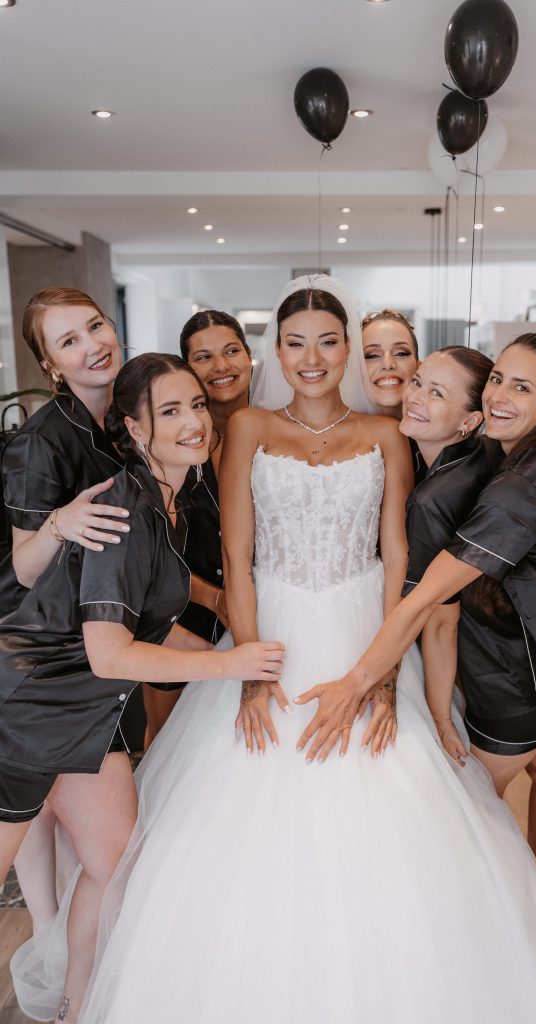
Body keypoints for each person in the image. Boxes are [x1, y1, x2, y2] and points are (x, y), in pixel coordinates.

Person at [73, 280, 536, 1024]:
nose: (311, 357)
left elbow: (396, 555)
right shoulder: (243, 427)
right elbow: (239, 559)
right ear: (275, 352)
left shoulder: (384, 438)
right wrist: (247, 669)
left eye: (327, 340)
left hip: (362, 629)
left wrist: (378, 677)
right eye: (294, 342)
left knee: (390, 793)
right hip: (269, 628)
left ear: (346, 348)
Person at [299, 332, 536, 1024]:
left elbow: (423, 603)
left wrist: (357, 682)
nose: (501, 396)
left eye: (521, 389)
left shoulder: (523, 487)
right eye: (499, 379)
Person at [3, 353, 284, 1022]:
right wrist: (231, 666)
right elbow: (109, 651)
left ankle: (76, 1006)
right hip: (28, 709)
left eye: (196, 405)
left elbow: (153, 629)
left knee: (114, 864)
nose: (193, 422)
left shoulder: (168, 500)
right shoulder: (126, 504)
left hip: (86, 719)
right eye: (169, 411)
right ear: (132, 427)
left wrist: (236, 656)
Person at [401, 347, 536, 886]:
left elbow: (440, 617)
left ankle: (502, 912)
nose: (415, 396)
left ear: (470, 420)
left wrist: (438, 712)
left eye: (437, 392)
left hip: (500, 669)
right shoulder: (495, 461)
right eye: (418, 382)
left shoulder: (436, 496)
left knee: (470, 810)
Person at [0, 289, 130, 944]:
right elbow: (23, 567)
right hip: (38, 670)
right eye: (69, 341)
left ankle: (70, 990)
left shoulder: (122, 424)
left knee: (111, 856)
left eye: (95, 326)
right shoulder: (38, 443)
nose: (92, 345)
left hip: (90, 666)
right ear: (51, 365)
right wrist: (58, 522)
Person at [141, 311, 253, 743]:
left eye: (231, 351)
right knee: (170, 743)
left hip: (261, 611)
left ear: (249, 356)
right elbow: (150, 554)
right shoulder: (169, 446)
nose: (221, 367)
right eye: (203, 358)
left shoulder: (277, 433)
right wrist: (215, 597)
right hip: (181, 612)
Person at [362, 309, 424, 481]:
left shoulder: (437, 439)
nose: (388, 364)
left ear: (419, 366)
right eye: (372, 355)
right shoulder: (338, 436)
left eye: (401, 353)